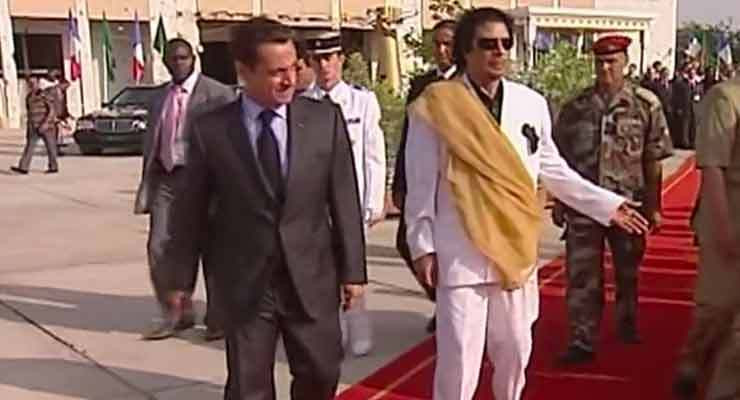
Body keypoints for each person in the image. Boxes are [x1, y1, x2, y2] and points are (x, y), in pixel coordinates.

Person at [404, 8, 649, 400]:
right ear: (466, 51)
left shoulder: (529, 103)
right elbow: (420, 183)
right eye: (488, 44)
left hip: (515, 249)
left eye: (506, 43)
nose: (499, 52)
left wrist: (607, 206)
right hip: (461, 252)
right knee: (460, 361)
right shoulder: (437, 105)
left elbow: (554, 170)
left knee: (517, 351)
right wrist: (422, 245)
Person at [159, 18, 366, 399]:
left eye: (292, 68)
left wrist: (354, 271)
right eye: (276, 72)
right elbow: (190, 211)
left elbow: (344, 199)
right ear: (244, 71)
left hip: (310, 276)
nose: (289, 80)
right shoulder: (212, 130)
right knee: (248, 386)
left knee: (321, 371)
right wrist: (179, 279)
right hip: (245, 280)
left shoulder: (324, 120)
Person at [552, 34, 674, 365]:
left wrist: (654, 206)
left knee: (627, 270)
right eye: (600, 63)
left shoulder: (645, 104)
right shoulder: (576, 108)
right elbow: (559, 160)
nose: (606, 68)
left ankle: (626, 321)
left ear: (625, 64)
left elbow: (653, 159)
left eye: (612, 62)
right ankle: (582, 338)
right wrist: (560, 201)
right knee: (582, 275)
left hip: (628, 204)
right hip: (585, 205)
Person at [134, 38, 236, 341]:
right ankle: (177, 312)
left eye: (183, 58)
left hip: (206, 183)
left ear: (193, 59)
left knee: (213, 251)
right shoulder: (159, 97)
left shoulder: (218, 94)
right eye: (172, 59)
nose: (178, 64)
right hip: (167, 179)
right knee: (161, 248)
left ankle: (219, 318)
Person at [302, 30, 386, 357]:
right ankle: (332, 329)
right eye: (317, 60)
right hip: (314, 205)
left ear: (340, 60)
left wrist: (374, 201)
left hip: (351, 201)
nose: (324, 67)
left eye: (329, 59)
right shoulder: (303, 103)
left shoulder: (361, 102)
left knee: (352, 268)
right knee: (323, 271)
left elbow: (373, 154)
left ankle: (359, 327)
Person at [674, 73, 740, 400]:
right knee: (717, 308)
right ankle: (693, 362)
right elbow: (713, 168)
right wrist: (723, 227)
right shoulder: (726, 98)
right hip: (727, 213)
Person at [392, 18, 457, 333]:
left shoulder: (467, 83)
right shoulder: (422, 85)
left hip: (452, 181)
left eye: (448, 44)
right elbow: (408, 136)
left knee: (448, 247)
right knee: (408, 242)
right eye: (437, 44)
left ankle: (451, 307)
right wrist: (400, 182)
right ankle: (440, 300)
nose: (442, 50)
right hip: (421, 176)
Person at [11, 76, 59, 174]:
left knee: (51, 147)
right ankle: (23, 167)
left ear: (38, 83)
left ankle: (53, 167)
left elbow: (52, 110)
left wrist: (46, 123)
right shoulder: (29, 97)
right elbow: (29, 112)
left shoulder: (45, 95)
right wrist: (29, 127)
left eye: (33, 83)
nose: (31, 85)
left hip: (46, 126)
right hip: (33, 126)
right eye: (30, 83)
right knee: (29, 147)